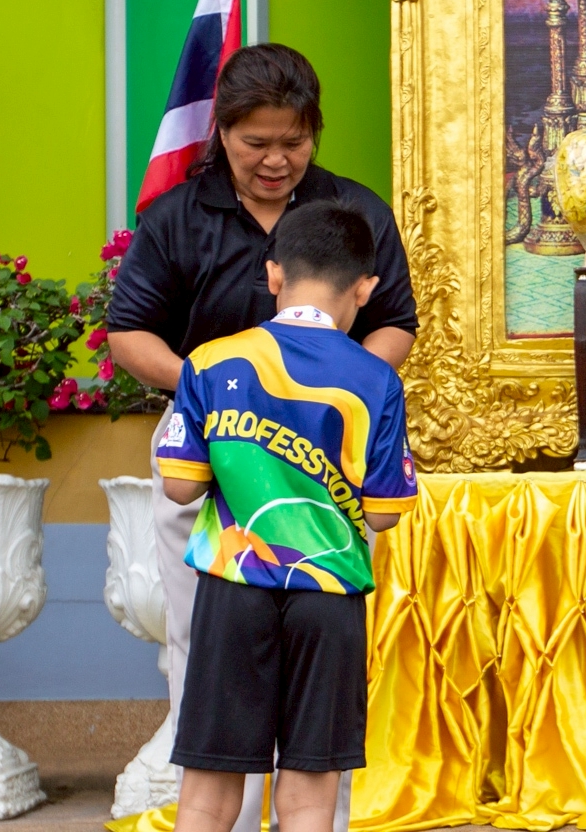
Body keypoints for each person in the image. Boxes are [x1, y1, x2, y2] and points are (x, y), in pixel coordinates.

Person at [109, 43, 418, 832]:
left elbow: (395, 325)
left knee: (323, 652)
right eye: (256, 144)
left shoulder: (355, 212)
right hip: (207, 450)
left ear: (314, 132)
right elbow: (128, 333)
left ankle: (316, 811)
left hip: (327, 456)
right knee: (199, 635)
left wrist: (329, 389)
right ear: (221, 132)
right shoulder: (177, 215)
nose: (276, 160)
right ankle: (232, 809)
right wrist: (215, 393)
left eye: (294, 142)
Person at [156, 199, 418, 832]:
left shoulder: (210, 361)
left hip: (234, 588)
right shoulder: (375, 379)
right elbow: (385, 513)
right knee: (307, 797)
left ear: (274, 274)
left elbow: (179, 486)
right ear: (365, 288)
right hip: (328, 598)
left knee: (208, 793)